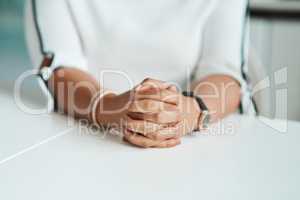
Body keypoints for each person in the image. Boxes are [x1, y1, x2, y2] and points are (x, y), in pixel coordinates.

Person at [25, 0, 255, 148]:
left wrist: (190, 111)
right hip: (91, 140)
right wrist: (109, 107)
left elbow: (225, 74)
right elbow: (61, 69)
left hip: (201, 146)